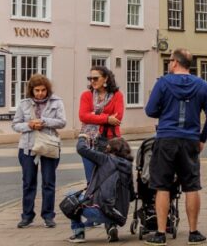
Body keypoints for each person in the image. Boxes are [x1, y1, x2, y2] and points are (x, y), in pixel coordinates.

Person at [144, 48, 207, 245]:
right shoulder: (202, 85)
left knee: (162, 185)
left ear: (175, 63)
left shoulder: (163, 83)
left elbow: (150, 110)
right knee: (192, 186)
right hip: (190, 139)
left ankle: (160, 233)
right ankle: (194, 232)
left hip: (166, 138)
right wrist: (202, 138)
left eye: (170, 61)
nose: (169, 64)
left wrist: (164, 110)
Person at [12, 74, 67, 229]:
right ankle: (27, 216)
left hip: (48, 145)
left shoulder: (57, 102)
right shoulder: (23, 104)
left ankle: (48, 216)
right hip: (27, 147)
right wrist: (29, 125)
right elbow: (15, 125)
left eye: (43, 90)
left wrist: (44, 122)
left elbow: (62, 122)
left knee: (49, 183)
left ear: (47, 89)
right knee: (28, 183)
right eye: (37, 90)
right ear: (31, 90)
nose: (40, 93)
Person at [66, 137, 134, 243]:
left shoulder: (105, 159)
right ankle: (111, 226)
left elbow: (81, 149)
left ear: (113, 148)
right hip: (119, 216)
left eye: (108, 145)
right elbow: (132, 196)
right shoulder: (128, 166)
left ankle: (78, 233)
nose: (105, 146)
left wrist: (82, 137)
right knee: (111, 200)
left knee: (71, 195)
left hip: (98, 212)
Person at [78, 65, 123, 182]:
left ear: (106, 78)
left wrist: (93, 115)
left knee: (109, 180)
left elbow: (118, 117)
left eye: (95, 78)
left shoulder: (117, 95)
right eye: (90, 78)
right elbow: (83, 116)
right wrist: (107, 118)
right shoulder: (86, 95)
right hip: (89, 142)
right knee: (91, 180)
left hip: (110, 142)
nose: (92, 81)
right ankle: (93, 200)